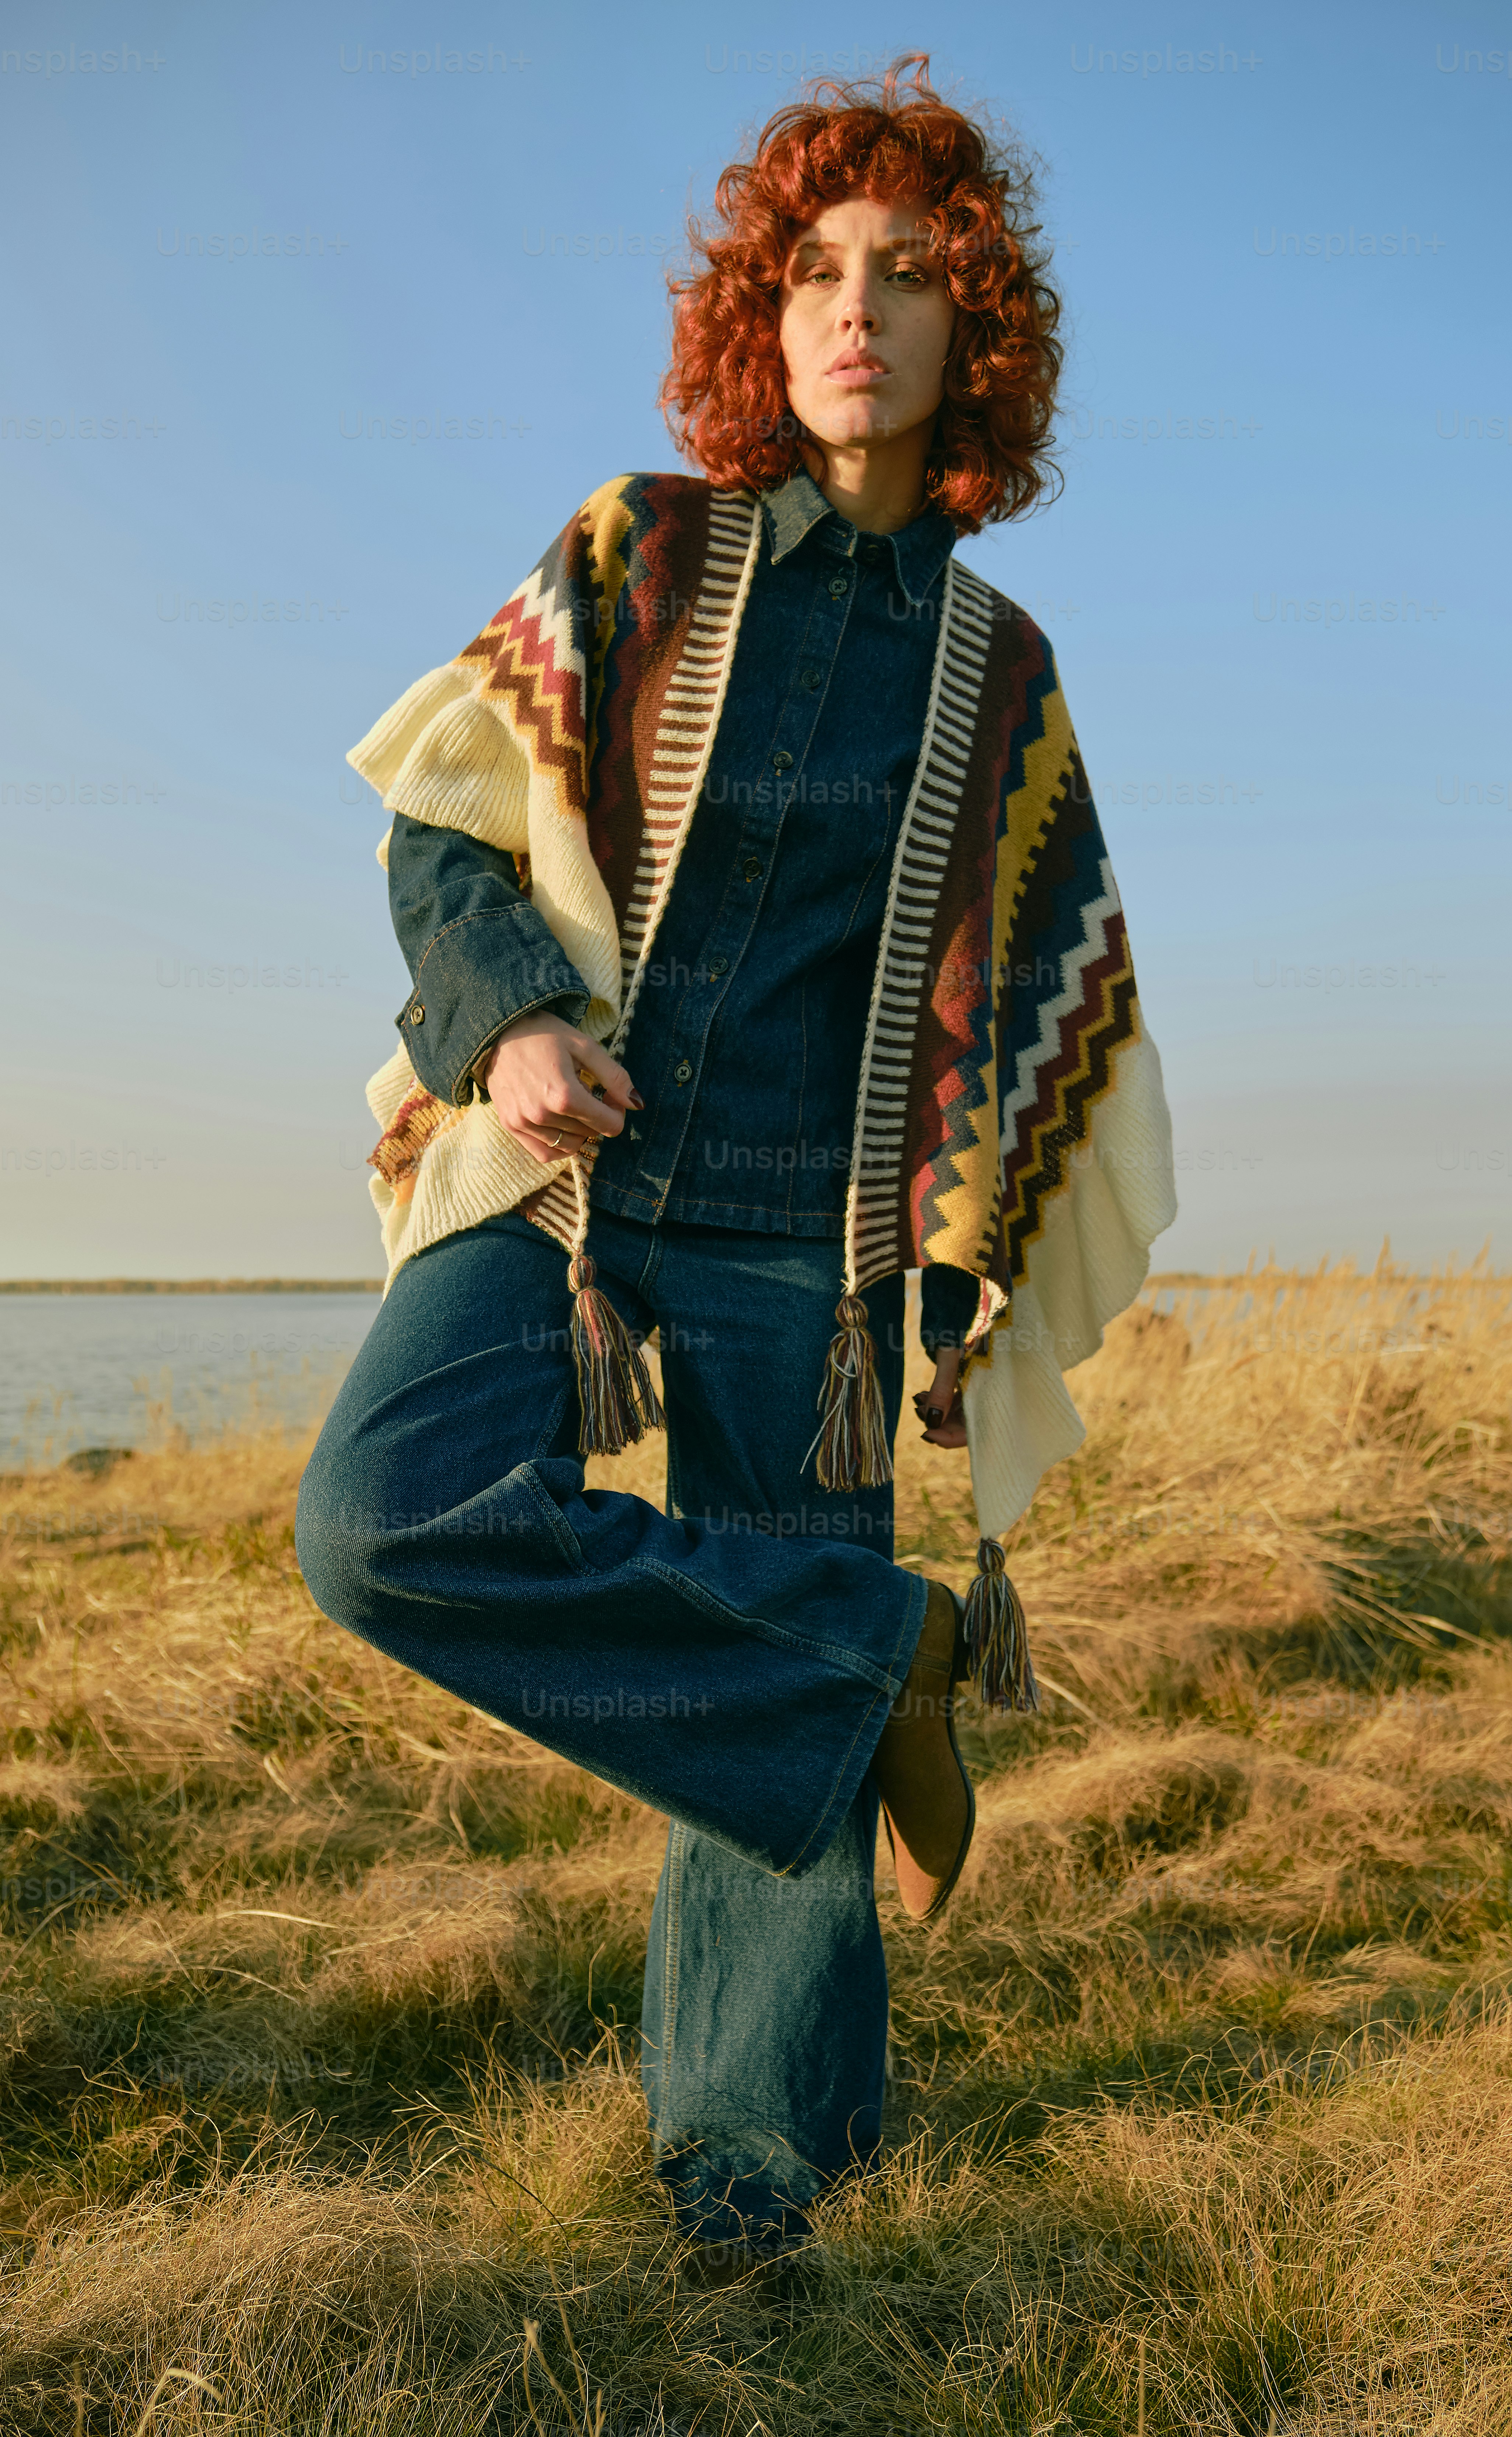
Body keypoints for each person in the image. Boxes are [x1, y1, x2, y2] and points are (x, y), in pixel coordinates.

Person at [296, 55, 1174, 2273]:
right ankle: (871, 1649)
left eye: (906, 274)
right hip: (574, 1178)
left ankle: (757, 2193)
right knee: (379, 1515)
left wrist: (960, 1250)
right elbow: (445, 809)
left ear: (978, 333)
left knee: (753, 1769)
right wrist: (505, 1014)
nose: (852, 308)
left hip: (818, 1229)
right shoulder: (640, 544)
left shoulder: (1004, 661)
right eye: (811, 271)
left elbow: (1024, 967)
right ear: (757, 327)